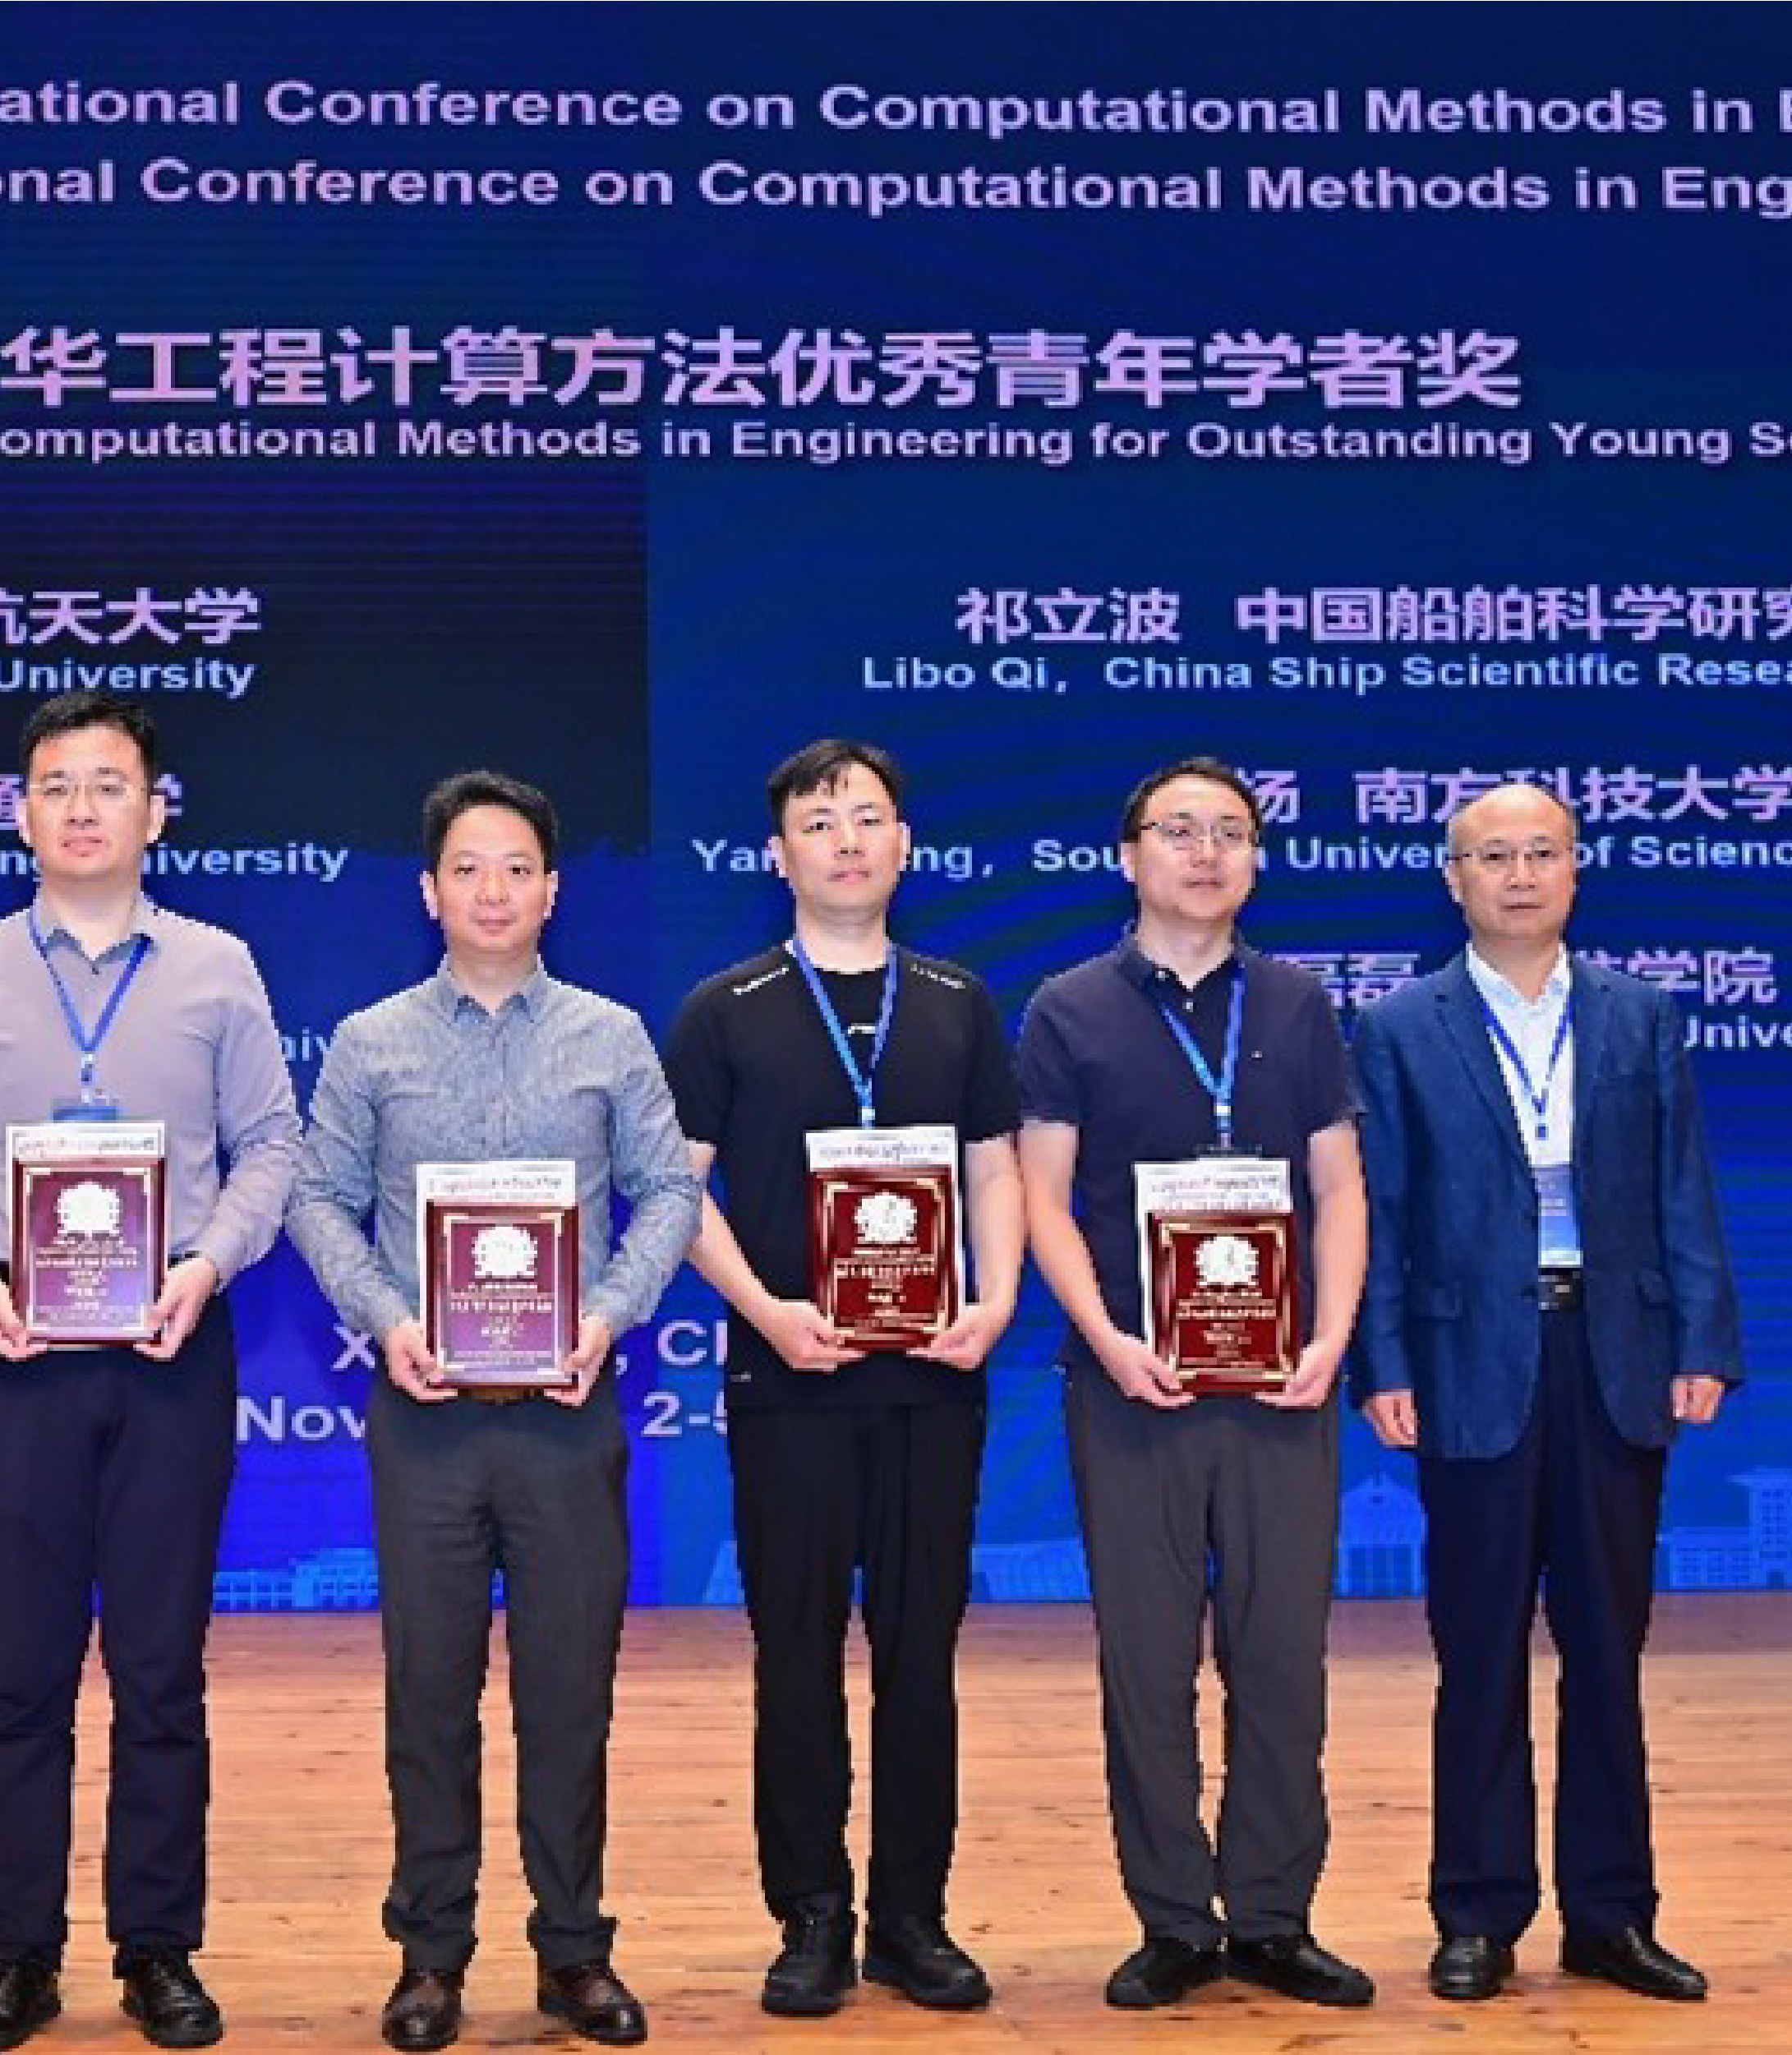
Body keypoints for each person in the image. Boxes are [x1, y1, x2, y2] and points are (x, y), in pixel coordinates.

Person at [0, 691, 301, 2053]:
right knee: (23, 1671)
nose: (81, 807)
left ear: (153, 811)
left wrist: (209, 1264)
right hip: (15, 1353)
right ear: (21, 814)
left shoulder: (218, 966)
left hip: (173, 1344)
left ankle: (157, 1947)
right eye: (56, 785)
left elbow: (272, 1145)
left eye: (108, 784)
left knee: (161, 1667)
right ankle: (16, 1955)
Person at [288, 771, 701, 2053]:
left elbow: (668, 1192)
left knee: (568, 1696)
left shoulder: (609, 1035)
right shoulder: (370, 1041)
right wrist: (387, 1318)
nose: (492, 889)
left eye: (516, 866)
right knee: (429, 1694)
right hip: (425, 1418)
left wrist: (609, 1313)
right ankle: (430, 1953)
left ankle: (573, 1949)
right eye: (466, 867)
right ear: (429, 890)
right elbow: (316, 1198)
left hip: (565, 1412)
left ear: (552, 889)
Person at [1350, 781, 1740, 2004]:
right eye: (1492, 856)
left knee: (1606, 1651)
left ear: (1575, 868)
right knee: (1475, 1650)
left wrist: (1702, 1339)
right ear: (1452, 877)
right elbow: (1382, 1207)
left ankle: (1611, 1915)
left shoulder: (1637, 1013)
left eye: (1540, 853)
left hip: (1612, 1354)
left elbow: (1680, 1186)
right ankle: (1476, 1911)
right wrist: (1382, 1362)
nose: (1518, 875)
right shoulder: (1399, 1025)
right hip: (1467, 1360)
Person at [660, 740, 1024, 2018]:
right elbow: (674, 1189)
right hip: (789, 1381)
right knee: (796, 1654)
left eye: (867, 817)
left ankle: (912, 1917)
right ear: (779, 854)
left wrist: (995, 1297)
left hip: (932, 1380)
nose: (847, 840)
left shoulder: (957, 1000)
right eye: (819, 822)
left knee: (921, 1656)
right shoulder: (725, 1007)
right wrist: (764, 1310)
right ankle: (810, 1912)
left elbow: (993, 1165)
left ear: (903, 843)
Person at [1014, 757, 1373, 2011]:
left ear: (1256, 860)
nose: (1205, 851)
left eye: (1229, 831)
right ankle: (1171, 1919)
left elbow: (1337, 1185)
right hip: (1131, 1390)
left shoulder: (1297, 1002)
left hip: (1280, 1389)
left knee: (1281, 1662)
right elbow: (1040, 1198)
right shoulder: (1067, 1006)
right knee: (1147, 1662)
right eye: (1178, 830)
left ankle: (1272, 1916)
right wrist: (1109, 1336)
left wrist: (1329, 1336)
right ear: (1128, 856)